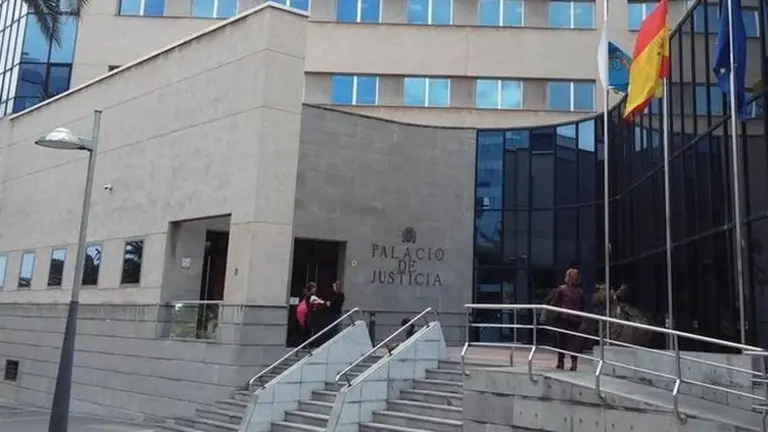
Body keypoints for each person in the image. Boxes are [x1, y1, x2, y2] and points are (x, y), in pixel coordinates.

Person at [550, 268, 585, 371]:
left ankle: (560, 362)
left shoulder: (561, 289)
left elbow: (554, 303)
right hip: (576, 319)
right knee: (574, 341)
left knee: (561, 340)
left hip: (563, 318)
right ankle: (574, 362)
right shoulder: (580, 292)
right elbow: (582, 306)